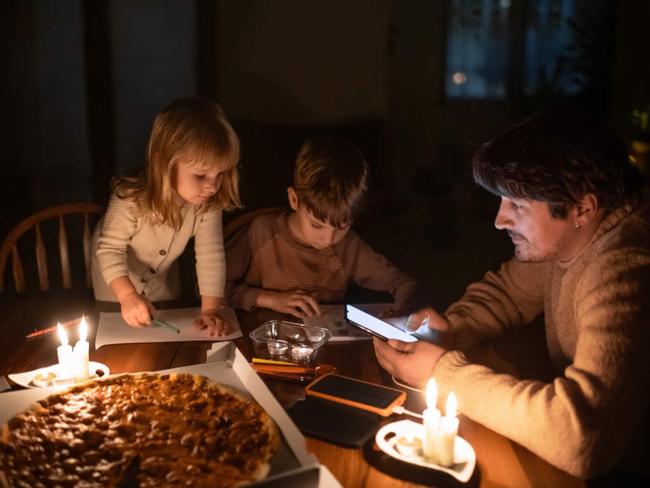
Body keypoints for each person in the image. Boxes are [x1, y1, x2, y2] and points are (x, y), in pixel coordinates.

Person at [374, 108, 650, 480]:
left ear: (582, 208)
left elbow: (582, 436)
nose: (499, 219)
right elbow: (506, 291)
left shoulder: (624, 268)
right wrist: (453, 328)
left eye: (518, 205)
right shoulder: (571, 239)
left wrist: (443, 372)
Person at [225, 137, 425, 318]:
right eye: (316, 225)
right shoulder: (261, 232)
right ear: (294, 199)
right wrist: (267, 298)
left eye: (342, 227)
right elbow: (212, 290)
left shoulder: (348, 247)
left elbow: (403, 283)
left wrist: (405, 312)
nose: (328, 239)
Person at [91, 97, 241, 336]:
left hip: (162, 282)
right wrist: (127, 295)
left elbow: (210, 253)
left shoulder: (208, 203)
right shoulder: (129, 198)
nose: (213, 186)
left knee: (160, 337)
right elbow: (109, 250)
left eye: (220, 174)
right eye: (201, 176)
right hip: (115, 282)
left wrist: (211, 309)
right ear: (166, 163)